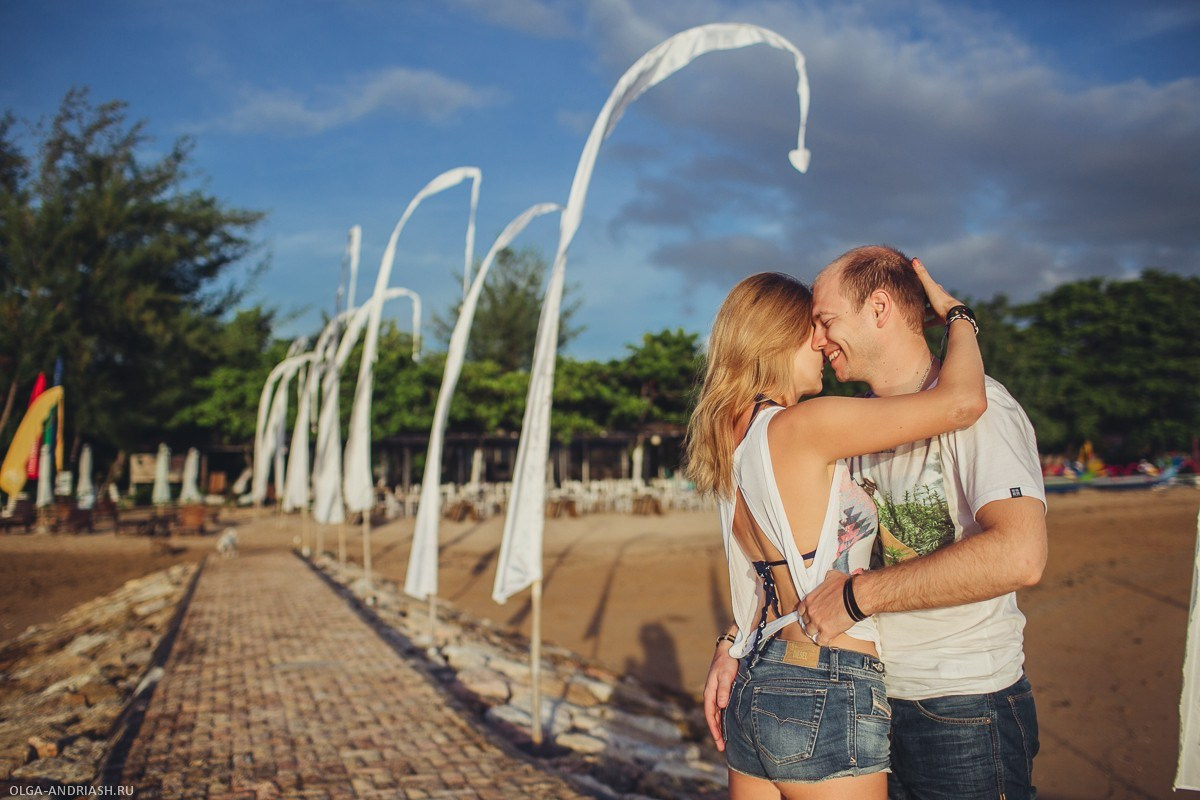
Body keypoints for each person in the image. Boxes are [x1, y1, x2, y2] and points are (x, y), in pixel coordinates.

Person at [703, 245, 1048, 800]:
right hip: (861, 691)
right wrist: (733, 638)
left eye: (826, 320)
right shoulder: (833, 428)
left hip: (960, 700)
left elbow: (1021, 556)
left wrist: (850, 600)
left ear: (880, 308)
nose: (819, 338)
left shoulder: (985, 409)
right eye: (809, 326)